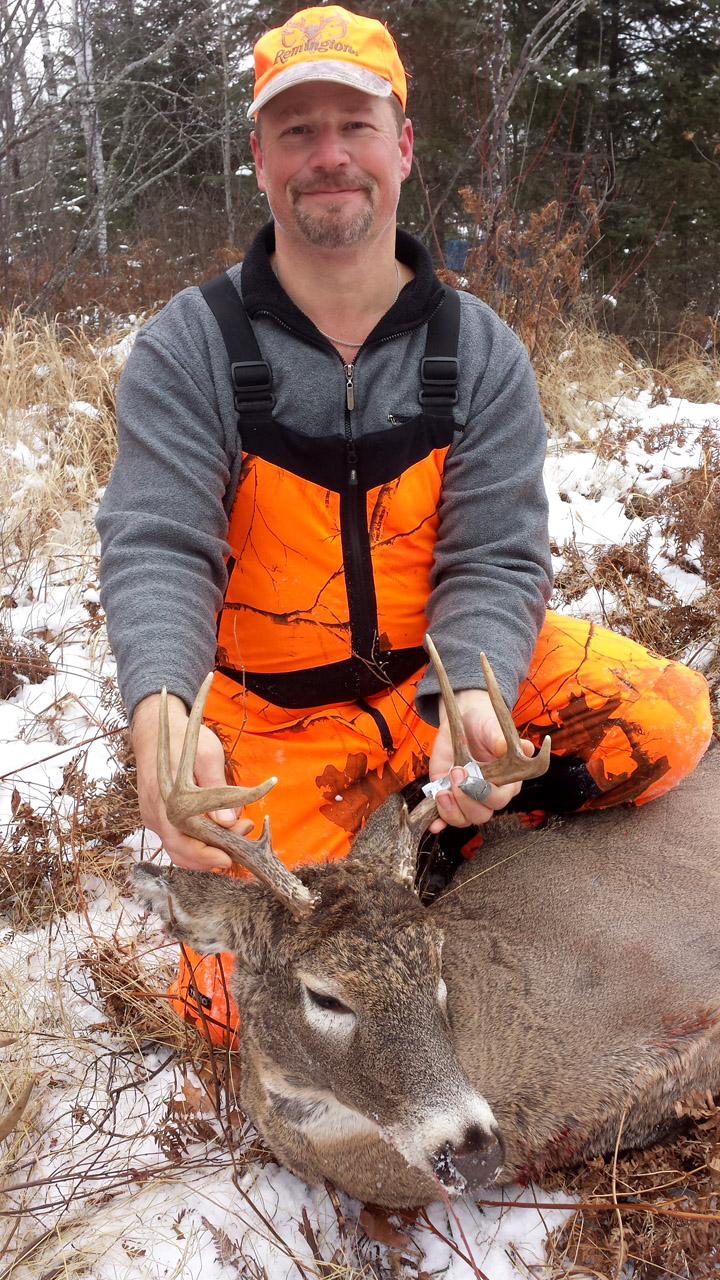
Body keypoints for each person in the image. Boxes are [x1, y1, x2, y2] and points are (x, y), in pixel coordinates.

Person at [97, 5, 712, 1046]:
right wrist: (162, 706)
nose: (329, 156)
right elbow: (157, 537)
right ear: (259, 156)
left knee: (666, 722)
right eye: (297, 130)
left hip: (433, 683)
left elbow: (494, 551)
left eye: (356, 124)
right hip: (277, 719)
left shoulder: (477, 350)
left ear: (404, 146)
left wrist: (472, 690)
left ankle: (456, 835)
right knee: (229, 1012)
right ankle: (393, 850)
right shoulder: (188, 348)